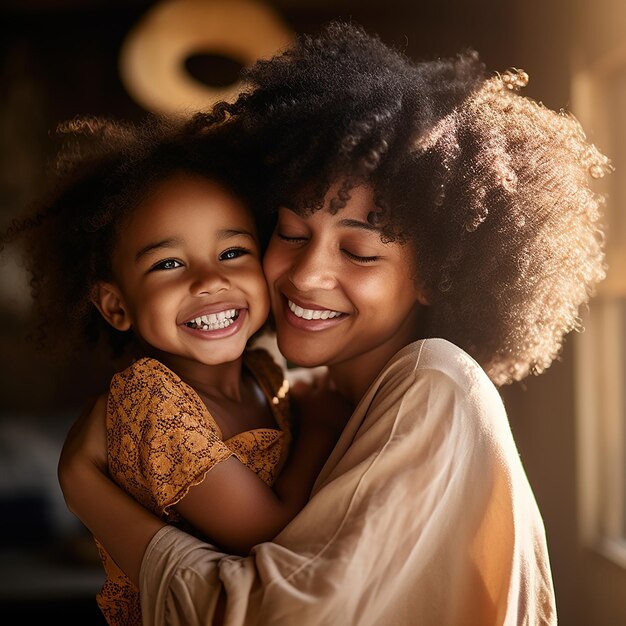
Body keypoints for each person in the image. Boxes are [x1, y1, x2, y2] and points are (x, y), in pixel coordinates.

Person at [57, 22, 611, 625]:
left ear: (436, 275)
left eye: (360, 252)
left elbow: (269, 613)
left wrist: (86, 489)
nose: (306, 275)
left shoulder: (436, 386)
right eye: (291, 233)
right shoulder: (307, 395)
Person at [2, 115, 348, 625]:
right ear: (116, 306)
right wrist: (321, 423)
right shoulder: (152, 402)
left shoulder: (263, 369)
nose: (209, 280)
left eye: (232, 252)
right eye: (168, 263)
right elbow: (270, 536)